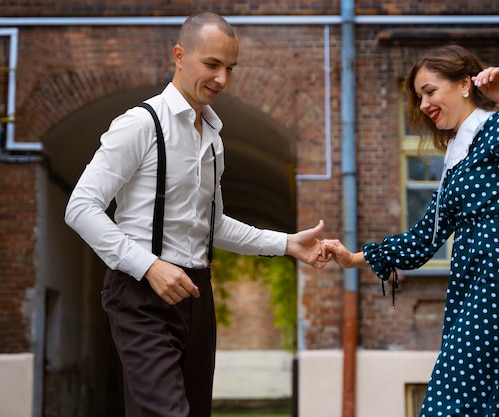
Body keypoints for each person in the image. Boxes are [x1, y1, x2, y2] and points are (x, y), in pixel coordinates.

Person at [65, 11, 327, 417]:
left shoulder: (214, 139)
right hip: (140, 293)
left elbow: (214, 225)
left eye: (230, 68)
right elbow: (80, 207)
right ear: (180, 56)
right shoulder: (140, 124)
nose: (222, 78)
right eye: (212, 64)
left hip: (196, 295)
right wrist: (149, 266)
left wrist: (288, 244)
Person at [322, 44, 499, 416]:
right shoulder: (457, 156)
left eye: (430, 91)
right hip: (472, 280)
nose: (423, 105)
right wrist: (353, 258)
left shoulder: (498, 126)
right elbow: (423, 239)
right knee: (491, 399)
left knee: (457, 398)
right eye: (419, 97)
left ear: (465, 84)